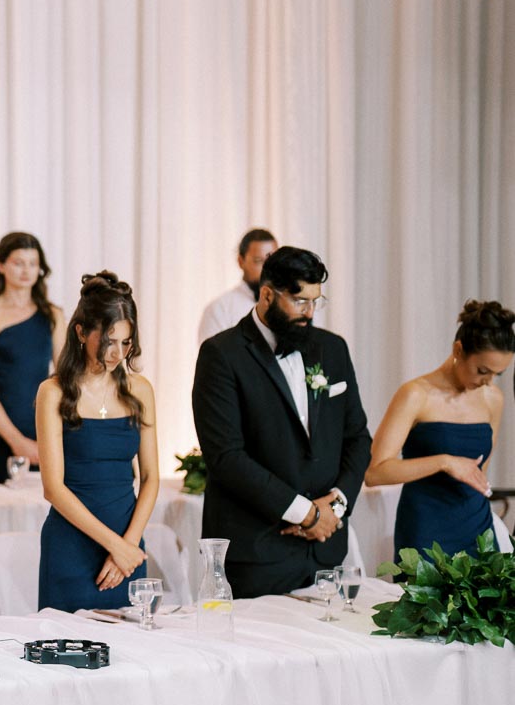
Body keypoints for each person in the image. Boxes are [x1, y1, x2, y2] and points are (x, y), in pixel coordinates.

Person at [192, 246, 372, 598]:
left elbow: (357, 438)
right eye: (299, 301)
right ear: (267, 294)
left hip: (326, 553)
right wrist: (306, 514)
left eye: (316, 301)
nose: (309, 313)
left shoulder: (333, 349)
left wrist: (333, 509)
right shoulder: (221, 355)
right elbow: (227, 457)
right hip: (258, 553)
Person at [36, 272, 158, 611]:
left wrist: (127, 547)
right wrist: (114, 546)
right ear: (81, 332)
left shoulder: (140, 389)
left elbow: (150, 478)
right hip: (71, 545)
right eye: (108, 341)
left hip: (128, 545)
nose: (118, 353)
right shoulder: (53, 392)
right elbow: (53, 488)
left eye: (126, 342)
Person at [365, 301, 514, 558]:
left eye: (496, 375)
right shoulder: (415, 395)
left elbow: (479, 472)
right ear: (458, 350)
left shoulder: (493, 399)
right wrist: (444, 462)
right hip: (426, 529)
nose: (487, 382)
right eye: (482, 371)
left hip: (477, 527)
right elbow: (375, 473)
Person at [0, 232, 66, 482]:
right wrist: (17, 441)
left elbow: (66, 376)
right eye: (18, 263)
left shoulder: (53, 315)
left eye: (33, 264)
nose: (26, 270)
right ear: (1, 266)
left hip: (43, 430)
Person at [197, 228, 278, 344]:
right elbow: (211, 359)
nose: (267, 268)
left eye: (272, 260)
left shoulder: (292, 306)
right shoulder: (219, 310)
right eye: (258, 261)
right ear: (241, 261)